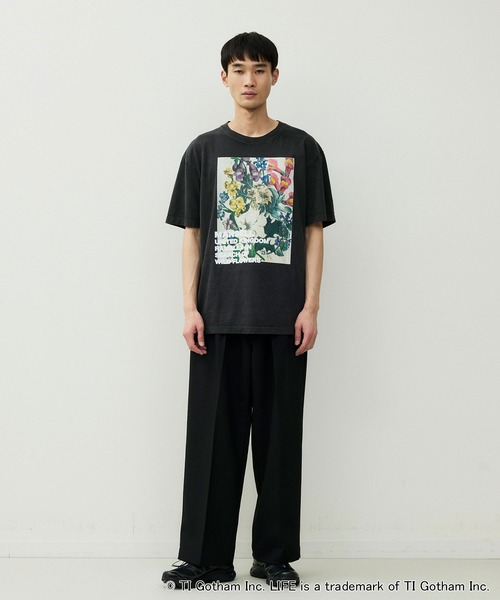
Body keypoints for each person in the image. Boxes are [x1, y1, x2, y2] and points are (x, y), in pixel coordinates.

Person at [162, 31, 335, 589]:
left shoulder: (302, 149)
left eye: (259, 69)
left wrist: (310, 306)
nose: (249, 80)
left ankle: (274, 556)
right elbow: (192, 234)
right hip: (217, 320)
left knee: (279, 444)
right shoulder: (203, 150)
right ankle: (205, 559)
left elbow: (313, 232)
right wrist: (189, 307)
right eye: (238, 70)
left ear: (274, 77)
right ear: (224, 78)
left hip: (283, 321)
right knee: (212, 444)